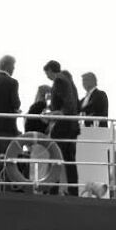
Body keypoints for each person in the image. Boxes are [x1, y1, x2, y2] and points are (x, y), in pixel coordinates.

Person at [43, 60, 80, 195]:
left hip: (63, 126)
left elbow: (67, 105)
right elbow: (75, 104)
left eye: (47, 73)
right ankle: (73, 190)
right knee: (69, 160)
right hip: (72, 125)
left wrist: (53, 114)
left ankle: (53, 190)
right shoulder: (68, 80)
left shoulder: (59, 81)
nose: (47, 76)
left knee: (55, 157)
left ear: (50, 70)